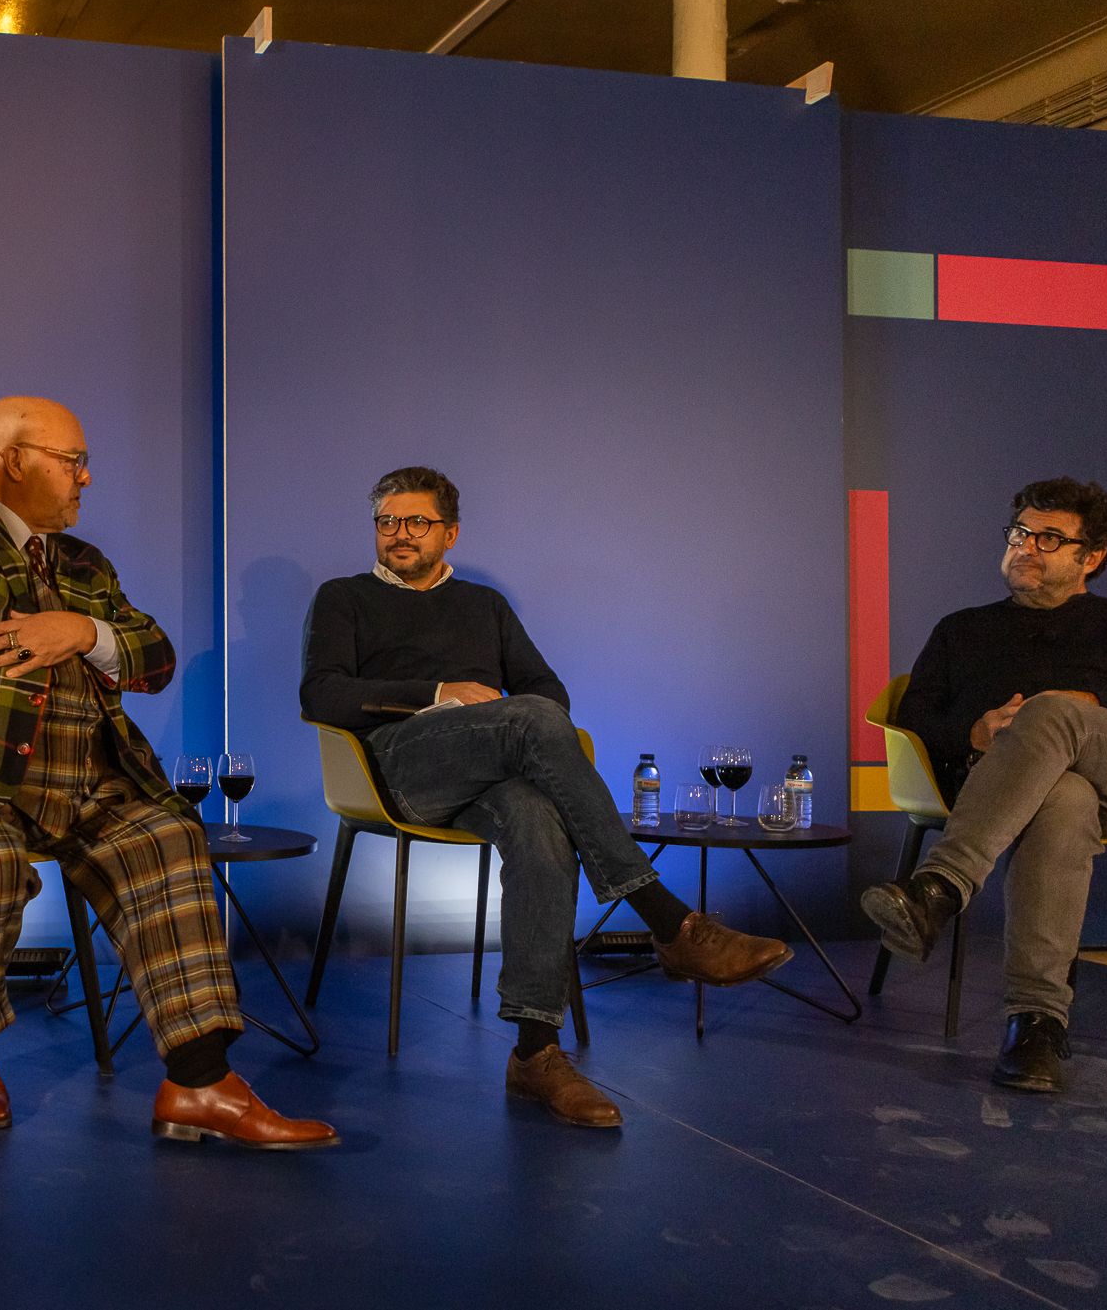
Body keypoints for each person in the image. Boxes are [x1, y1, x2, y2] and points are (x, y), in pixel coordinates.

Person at [0, 330, 335, 1148]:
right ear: (14, 461)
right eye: (73, 460)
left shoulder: (85, 564)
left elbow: (154, 657)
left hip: (88, 782)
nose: (87, 476)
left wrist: (81, 630)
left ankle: (198, 1083)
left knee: (169, 836)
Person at [300, 466, 793, 1129]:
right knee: (531, 720)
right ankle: (668, 919)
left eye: (417, 521)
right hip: (397, 766)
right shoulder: (344, 597)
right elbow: (321, 694)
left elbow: (547, 690)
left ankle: (535, 1052)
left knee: (538, 818)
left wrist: (503, 723)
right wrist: (440, 693)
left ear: (450, 533)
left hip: (486, 772)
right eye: (387, 521)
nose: (400, 534)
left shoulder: (485, 607)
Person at [861, 476, 1107, 1093]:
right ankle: (1035, 1024)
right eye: (1020, 534)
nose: (1026, 548)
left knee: (1051, 710)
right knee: (1063, 798)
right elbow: (916, 716)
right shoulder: (960, 630)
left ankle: (941, 885)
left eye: (1049, 538)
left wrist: (1095, 703)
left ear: (1091, 557)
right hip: (1021, 793)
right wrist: (973, 730)